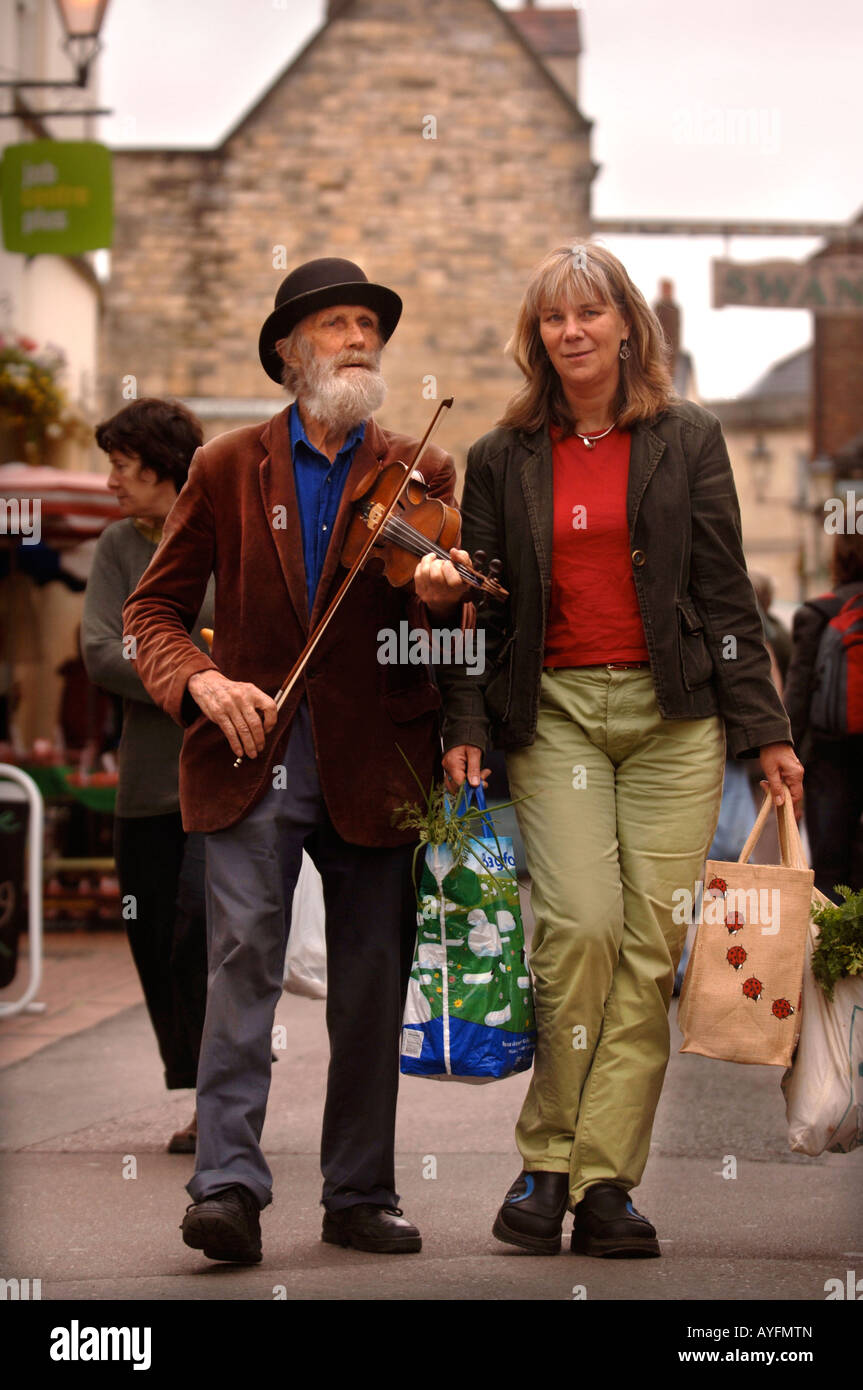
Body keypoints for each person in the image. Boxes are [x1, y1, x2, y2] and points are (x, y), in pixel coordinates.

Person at [441, 244, 803, 1258]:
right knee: (578, 931)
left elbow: (726, 594)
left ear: (624, 325)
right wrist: (463, 723)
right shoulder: (499, 455)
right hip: (552, 712)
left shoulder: (686, 437)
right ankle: (547, 1152)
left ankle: (594, 1180)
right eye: (552, 318)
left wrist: (764, 731)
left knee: (648, 954)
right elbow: (473, 604)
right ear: (536, 337)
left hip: (673, 723)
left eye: (588, 313)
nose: (571, 331)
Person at [122, 257, 468, 1264]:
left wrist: (437, 606)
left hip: (375, 759)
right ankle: (226, 1182)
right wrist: (201, 680)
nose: (359, 338)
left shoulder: (420, 471)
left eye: (369, 323)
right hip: (248, 749)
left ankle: (359, 1190)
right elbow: (152, 611)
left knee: (370, 978)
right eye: (335, 324)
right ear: (288, 351)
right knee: (241, 967)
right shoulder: (227, 466)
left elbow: (430, 633)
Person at [82, 398, 214, 1153]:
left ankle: (222, 1100)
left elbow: (253, 642)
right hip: (145, 788)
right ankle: (202, 1083)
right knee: (155, 941)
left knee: (207, 942)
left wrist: (163, 657)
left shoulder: (222, 529)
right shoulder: (114, 548)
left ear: (163, 470)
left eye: (121, 467)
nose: (109, 482)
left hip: (222, 779)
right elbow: (102, 651)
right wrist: (197, 673)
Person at [783, 529, 863, 901]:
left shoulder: (817, 613)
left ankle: (835, 954)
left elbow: (796, 700)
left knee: (830, 873)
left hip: (828, 761)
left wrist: (787, 758)